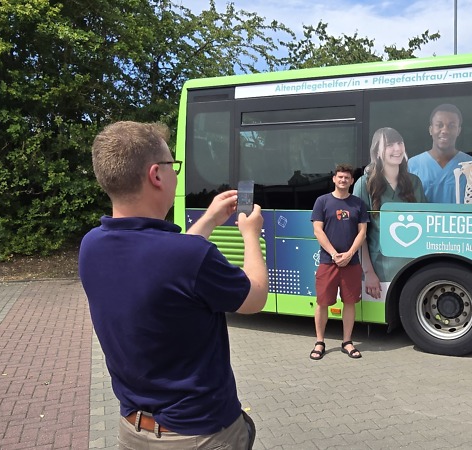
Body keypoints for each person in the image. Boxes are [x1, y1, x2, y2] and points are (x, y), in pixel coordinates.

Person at [79, 121, 267, 448]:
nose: (175, 174)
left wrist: (209, 219)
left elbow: (170, 266)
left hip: (133, 430)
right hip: (200, 435)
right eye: (173, 165)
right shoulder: (188, 257)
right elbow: (255, 296)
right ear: (156, 175)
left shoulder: (91, 246)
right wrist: (251, 235)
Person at [353, 128, 426, 300]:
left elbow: (424, 226)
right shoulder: (364, 184)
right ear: (377, 151)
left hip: (413, 270)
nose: (397, 149)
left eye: (399, 143)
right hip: (379, 272)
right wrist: (368, 272)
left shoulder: (414, 182)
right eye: (389, 145)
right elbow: (359, 234)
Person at [310, 164, 369, 360]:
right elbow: (318, 230)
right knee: (322, 303)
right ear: (334, 179)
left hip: (351, 263)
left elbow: (362, 233)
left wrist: (350, 254)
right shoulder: (322, 201)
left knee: (350, 302)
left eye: (347, 178)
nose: (343, 180)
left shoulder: (358, 203)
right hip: (328, 262)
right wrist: (335, 254)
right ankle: (319, 342)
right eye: (340, 177)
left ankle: (347, 342)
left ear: (352, 181)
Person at [408, 103, 472, 203]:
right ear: (431, 130)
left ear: (458, 131)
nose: (445, 130)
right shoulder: (413, 165)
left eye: (451, 126)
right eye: (439, 125)